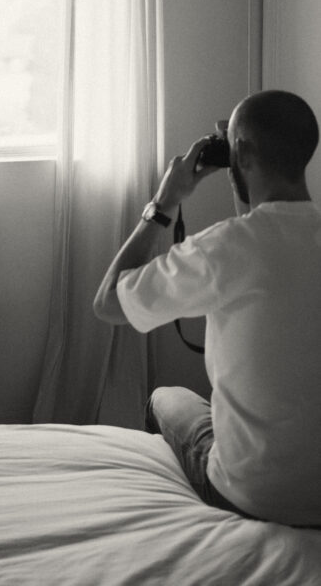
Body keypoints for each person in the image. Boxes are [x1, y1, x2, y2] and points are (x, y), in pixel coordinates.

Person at [93, 89, 321, 528]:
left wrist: (162, 206)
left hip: (253, 496)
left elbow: (108, 303)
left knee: (166, 397)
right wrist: (244, 170)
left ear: (241, 152)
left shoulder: (227, 248)